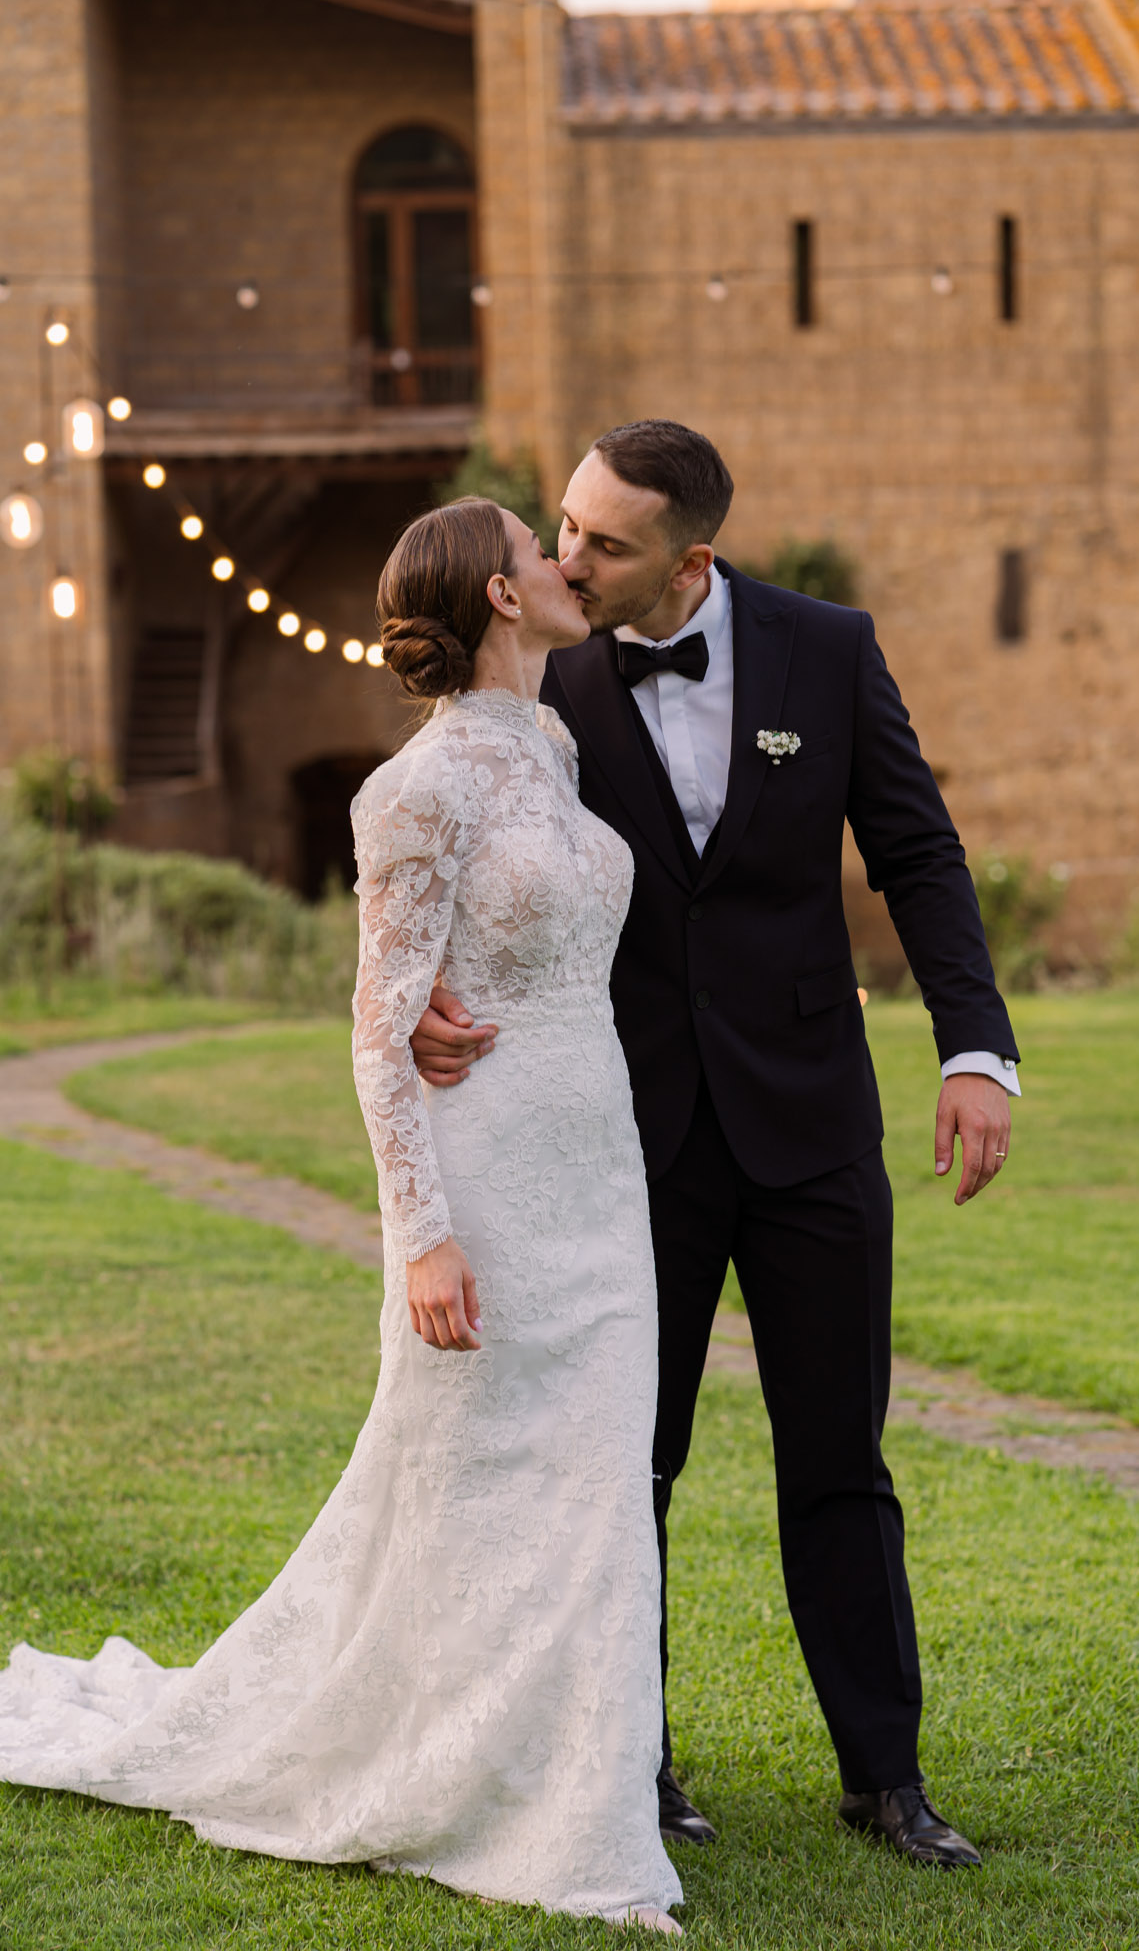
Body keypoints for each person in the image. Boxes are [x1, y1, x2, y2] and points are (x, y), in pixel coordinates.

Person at [0, 499, 683, 1934]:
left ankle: (566, 1772)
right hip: (485, 1177)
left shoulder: (554, 751)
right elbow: (379, 1035)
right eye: (543, 546)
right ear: (502, 594)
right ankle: (544, 1815)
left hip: (597, 1165)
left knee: (591, 1487)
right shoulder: (411, 793)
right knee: (474, 1474)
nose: (571, 564)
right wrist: (424, 1234)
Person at [411, 422, 1021, 1870]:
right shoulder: (539, 669)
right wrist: (424, 979)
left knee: (838, 1461)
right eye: (562, 525)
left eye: (602, 542)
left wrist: (975, 1048)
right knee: (633, 1459)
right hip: (626, 1132)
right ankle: (634, 1761)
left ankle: (886, 1778)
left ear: (689, 556)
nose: (564, 558)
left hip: (811, 1121)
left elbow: (917, 852)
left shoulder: (827, 647)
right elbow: (441, 825)